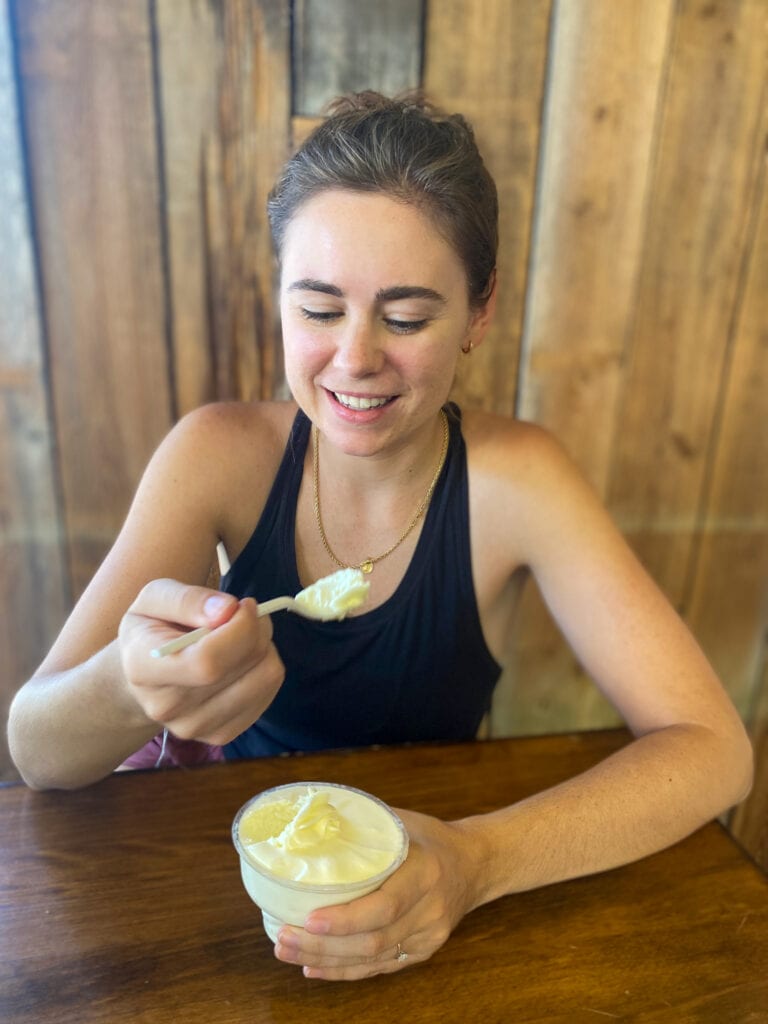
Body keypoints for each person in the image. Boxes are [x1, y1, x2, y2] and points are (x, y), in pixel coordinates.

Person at [8, 92, 752, 980]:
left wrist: (479, 861)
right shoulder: (215, 456)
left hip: (442, 895)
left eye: (405, 318)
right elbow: (37, 751)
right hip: (231, 893)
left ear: (479, 312)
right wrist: (131, 687)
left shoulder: (522, 480)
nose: (356, 359)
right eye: (319, 310)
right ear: (278, 298)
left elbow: (715, 750)